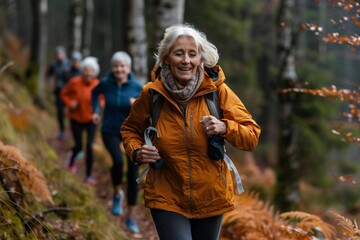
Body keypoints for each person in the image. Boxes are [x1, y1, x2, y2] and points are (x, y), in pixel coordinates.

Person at [120, 24, 261, 240]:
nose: (186, 60)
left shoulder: (217, 91)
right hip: (167, 195)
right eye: (179, 53)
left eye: (192, 54)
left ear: (200, 59)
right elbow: (130, 129)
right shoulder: (152, 94)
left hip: (211, 196)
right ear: (167, 58)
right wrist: (137, 152)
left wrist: (225, 127)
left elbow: (251, 136)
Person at [91, 51, 142, 233]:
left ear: (128, 68)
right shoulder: (105, 83)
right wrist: (96, 110)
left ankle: (130, 216)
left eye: (123, 66)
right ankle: (117, 193)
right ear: (112, 68)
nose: (119, 69)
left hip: (132, 133)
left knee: (133, 174)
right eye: (116, 66)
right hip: (110, 130)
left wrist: (136, 104)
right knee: (118, 161)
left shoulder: (137, 86)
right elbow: (94, 93)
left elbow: (147, 110)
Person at [60, 57, 100, 185]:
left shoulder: (97, 84)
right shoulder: (74, 82)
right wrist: (69, 103)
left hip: (91, 119)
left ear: (95, 72)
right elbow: (63, 94)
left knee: (89, 147)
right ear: (82, 71)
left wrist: (100, 108)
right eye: (86, 70)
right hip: (76, 118)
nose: (89, 73)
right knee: (78, 145)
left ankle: (88, 176)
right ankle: (71, 160)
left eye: (91, 70)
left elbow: (103, 98)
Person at [47, 46, 70, 140]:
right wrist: (50, 81)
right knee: (60, 111)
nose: (59, 56)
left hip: (69, 92)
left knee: (69, 111)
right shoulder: (54, 65)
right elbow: (49, 74)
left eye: (60, 54)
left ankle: (73, 132)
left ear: (64, 54)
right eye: (57, 54)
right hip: (58, 91)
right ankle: (62, 131)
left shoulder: (69, 64)